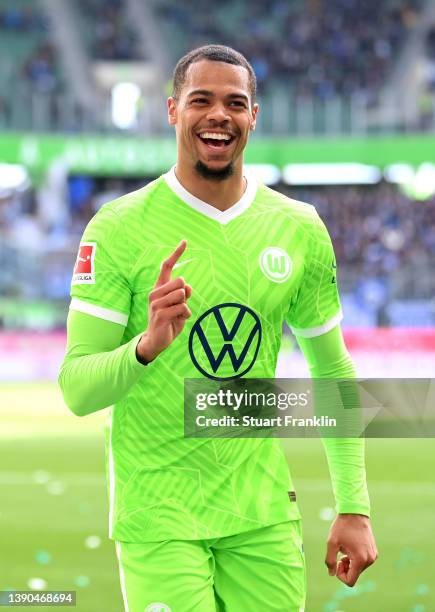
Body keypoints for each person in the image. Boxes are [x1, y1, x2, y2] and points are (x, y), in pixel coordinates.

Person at [58, 44, 377, 612]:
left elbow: (332, 369)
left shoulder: (298, 228)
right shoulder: (118, 228)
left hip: (263, 515)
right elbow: (78, 389)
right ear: (172, 111)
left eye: (235, 103)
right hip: (159, 514)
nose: (218, 115)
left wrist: (354, 505)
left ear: (254, 116)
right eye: (200, 100)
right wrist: (146, 346)